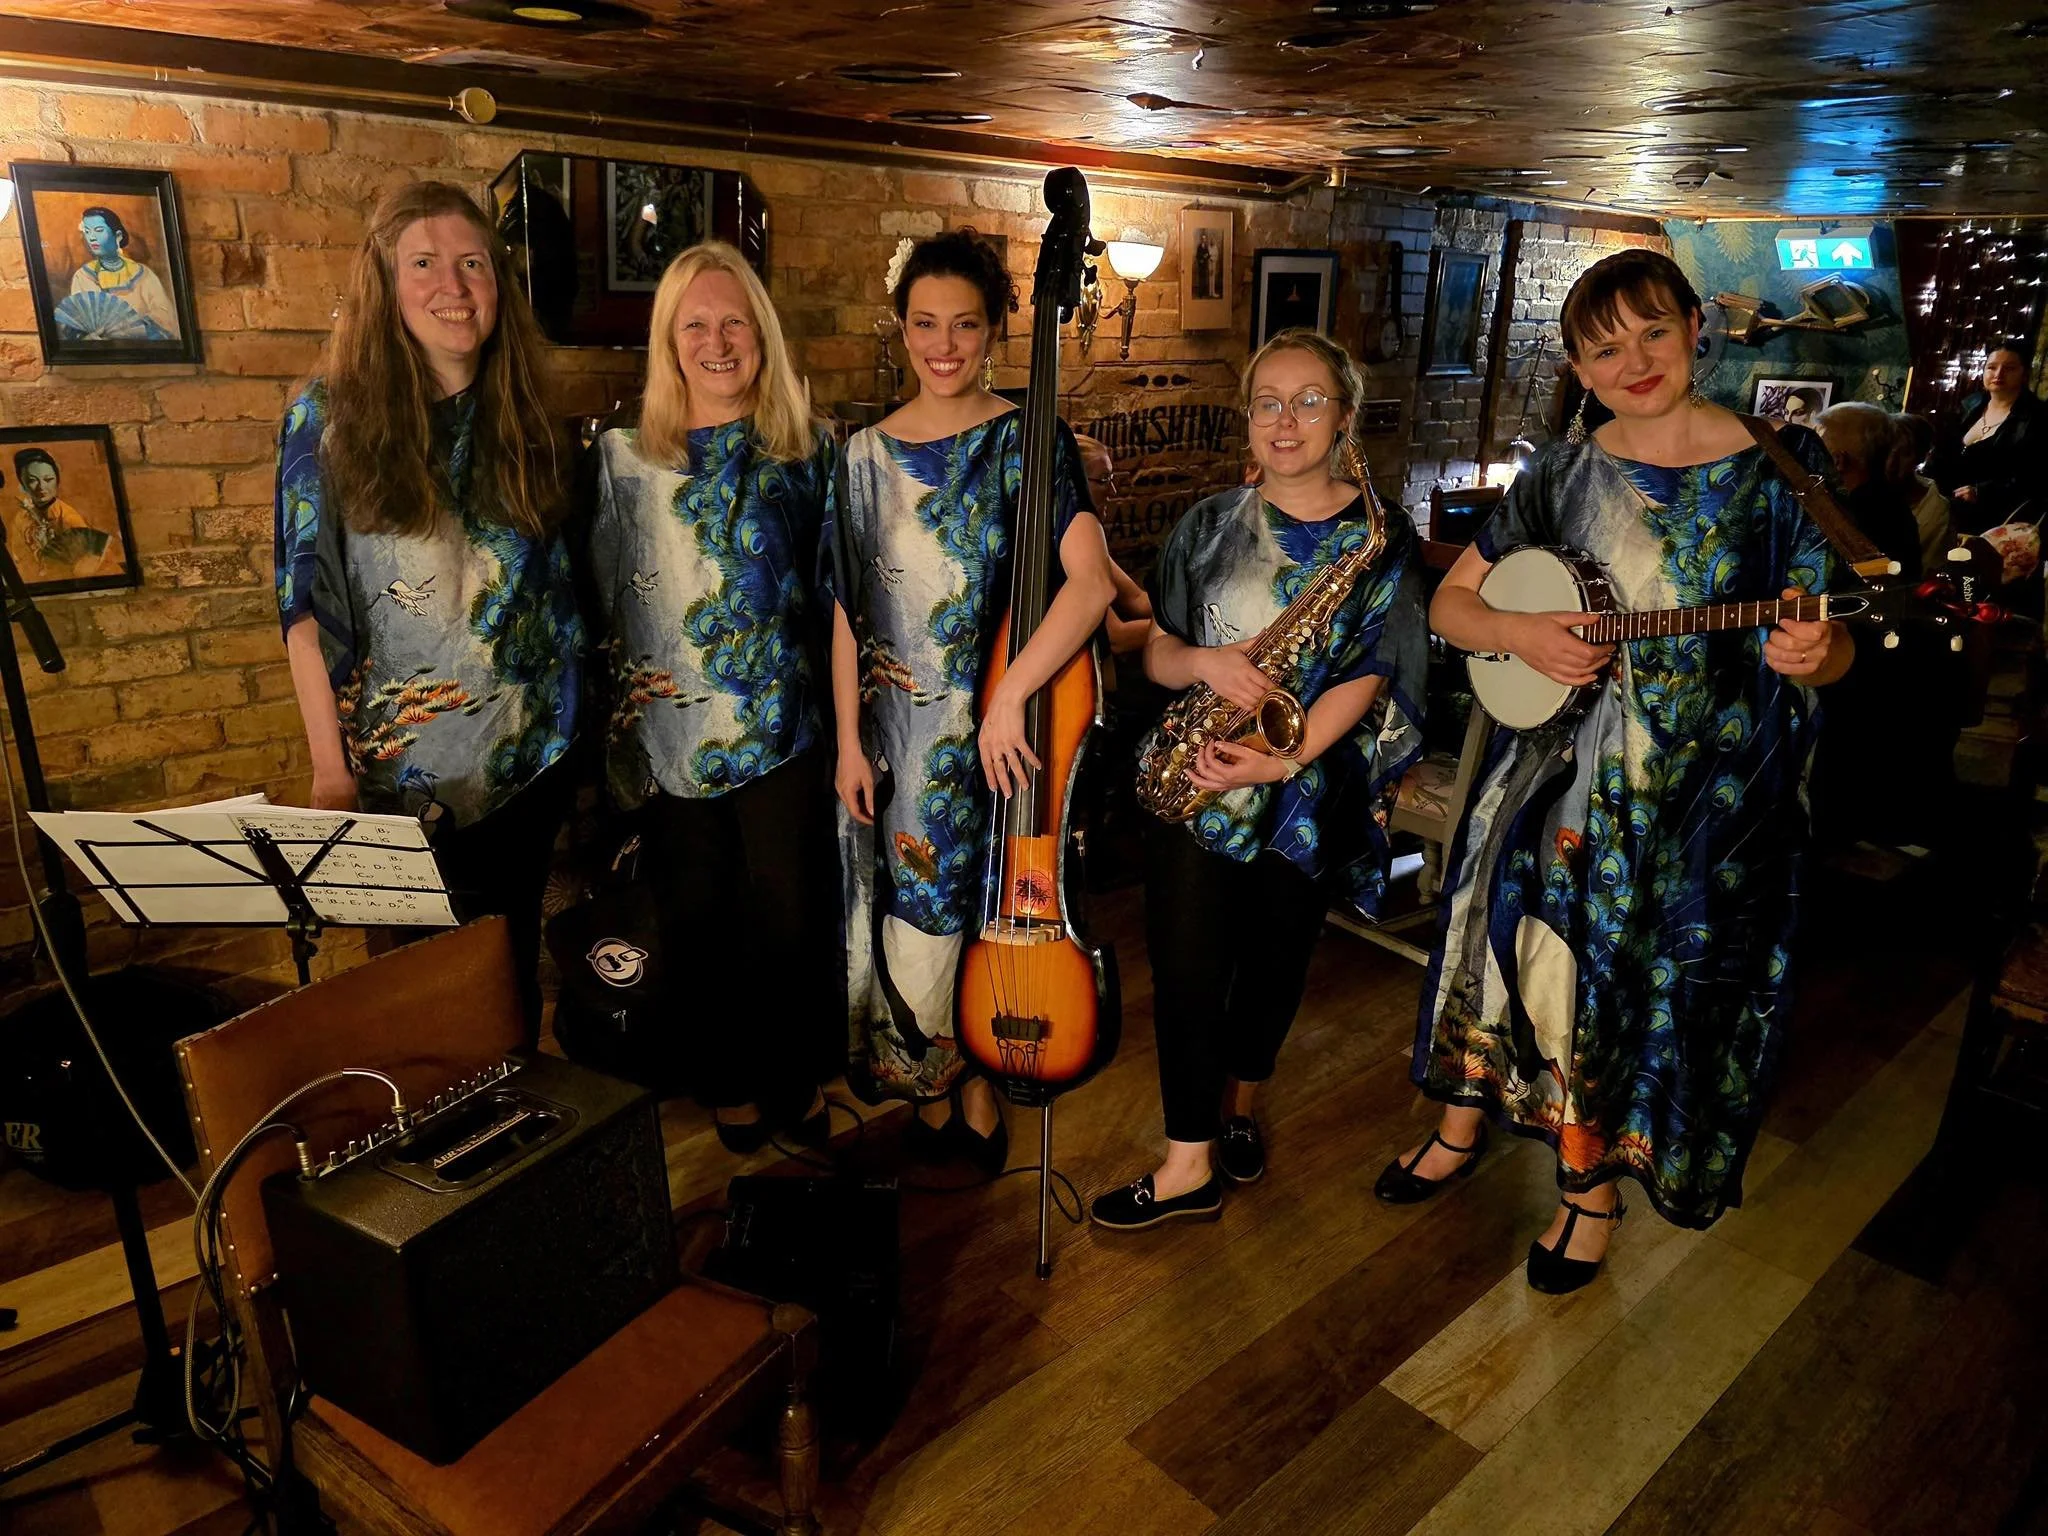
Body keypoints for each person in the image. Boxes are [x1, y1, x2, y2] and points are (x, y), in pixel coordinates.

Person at [1387, 249, 1854, 1293]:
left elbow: (1839, 630)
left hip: (1704, 806)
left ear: (1697, 326)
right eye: (1604, 347)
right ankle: (1467, 1122)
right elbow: (1453, 607)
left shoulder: (1780, 465)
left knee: (1635, 990)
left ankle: (1585, 1192)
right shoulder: (1557, 475)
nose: (1633, 360)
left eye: (1651, 330)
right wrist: (1525, 632)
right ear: (1578, 368)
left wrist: (1818, 653)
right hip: (1556, 780)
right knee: (1519, 962)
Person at [1090, 329, 1426, 1231]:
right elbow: (1155, 648)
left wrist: (1286, 756)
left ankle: (1235, 1107)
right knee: (1189, 967)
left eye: (1308, 400)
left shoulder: (1382, 538)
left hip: (1306, 790)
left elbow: (1376, 670)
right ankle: (1186, 1159)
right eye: (1267, 401)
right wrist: (1202, 662)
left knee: (1272, 972)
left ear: (1344, 416)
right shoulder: (1205, 525)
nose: (1286, 420)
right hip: (1198, 780)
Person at [827, 229, 1116, 1172]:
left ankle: (981, 1105)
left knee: (980, 912)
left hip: (1000, 732)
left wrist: (1008, 700)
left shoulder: (1030, 440)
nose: (942, 345)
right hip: (893, 739)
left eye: (964, 325)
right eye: (923, 324)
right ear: (900, 328)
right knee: (910, 914)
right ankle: (933, 1092)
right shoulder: (863, 455)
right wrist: (844, 742)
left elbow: (1087, 587)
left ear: (995, 330)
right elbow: (844, 613)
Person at [272, 181, 583, 1039]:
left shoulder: (519, 414)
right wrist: (328, 769)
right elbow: (304, 604)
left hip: (528, 763)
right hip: (398, 779)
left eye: (473, 263)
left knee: (511, 984)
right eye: (425, 264)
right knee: (419, 1002)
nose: (454, 284)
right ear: (386, 285)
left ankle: (514, 1149)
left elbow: (551, 588)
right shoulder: (326, 417)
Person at [583, 240, 840, 1148]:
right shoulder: (620, 457)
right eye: (696, 324)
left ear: (760, 333)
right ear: (669, 339)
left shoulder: (807, 452)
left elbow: (835, 596)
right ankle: (729, 1087)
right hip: (667, 731)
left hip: (783, 725)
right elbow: (604, 595)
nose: (717, 341)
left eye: (734, 321)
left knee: (788, 917)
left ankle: (795, 1082)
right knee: (697, 918)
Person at [1933, 341, 2045, 609]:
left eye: (2009, 368)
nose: (1998, 374)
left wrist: (1983, 490)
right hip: (1954, 512)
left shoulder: (2039, 417)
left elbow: (2038, 477)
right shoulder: (1970, 405)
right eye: (1991, 367)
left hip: (2002, 517)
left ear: (2024, 373)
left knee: (1986, 595)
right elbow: (1945, 452)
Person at [1072, 432, 1154, 655]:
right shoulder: (1064, 548)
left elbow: (1137, 601)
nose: (1113, 490)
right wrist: (1197, 628)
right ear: (1074, 484)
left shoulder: (1088, 541)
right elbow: (1116, 638)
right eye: (1103, 480)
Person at [65, 207, 181, 340]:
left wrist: (132, 330)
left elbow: (166, 317)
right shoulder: (84, 276)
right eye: (87, 231)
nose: (91, 238)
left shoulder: (144, 274)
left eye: (99, 231)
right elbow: (80, 323)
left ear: (118, 236)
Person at [9, 448, 122, 583]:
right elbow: (22, 561)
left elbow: (87, 564)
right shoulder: (21, 518)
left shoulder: (67, 516)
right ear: (23, 483)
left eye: (48, 479)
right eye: (32, 480)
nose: (41, 487)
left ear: (57, 480)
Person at [1892, 411, 1951, 575]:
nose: (1892, 462)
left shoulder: (1936, 509)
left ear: (1922, 457)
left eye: (1903, 453)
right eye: (1886, 451)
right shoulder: (1867, 491)